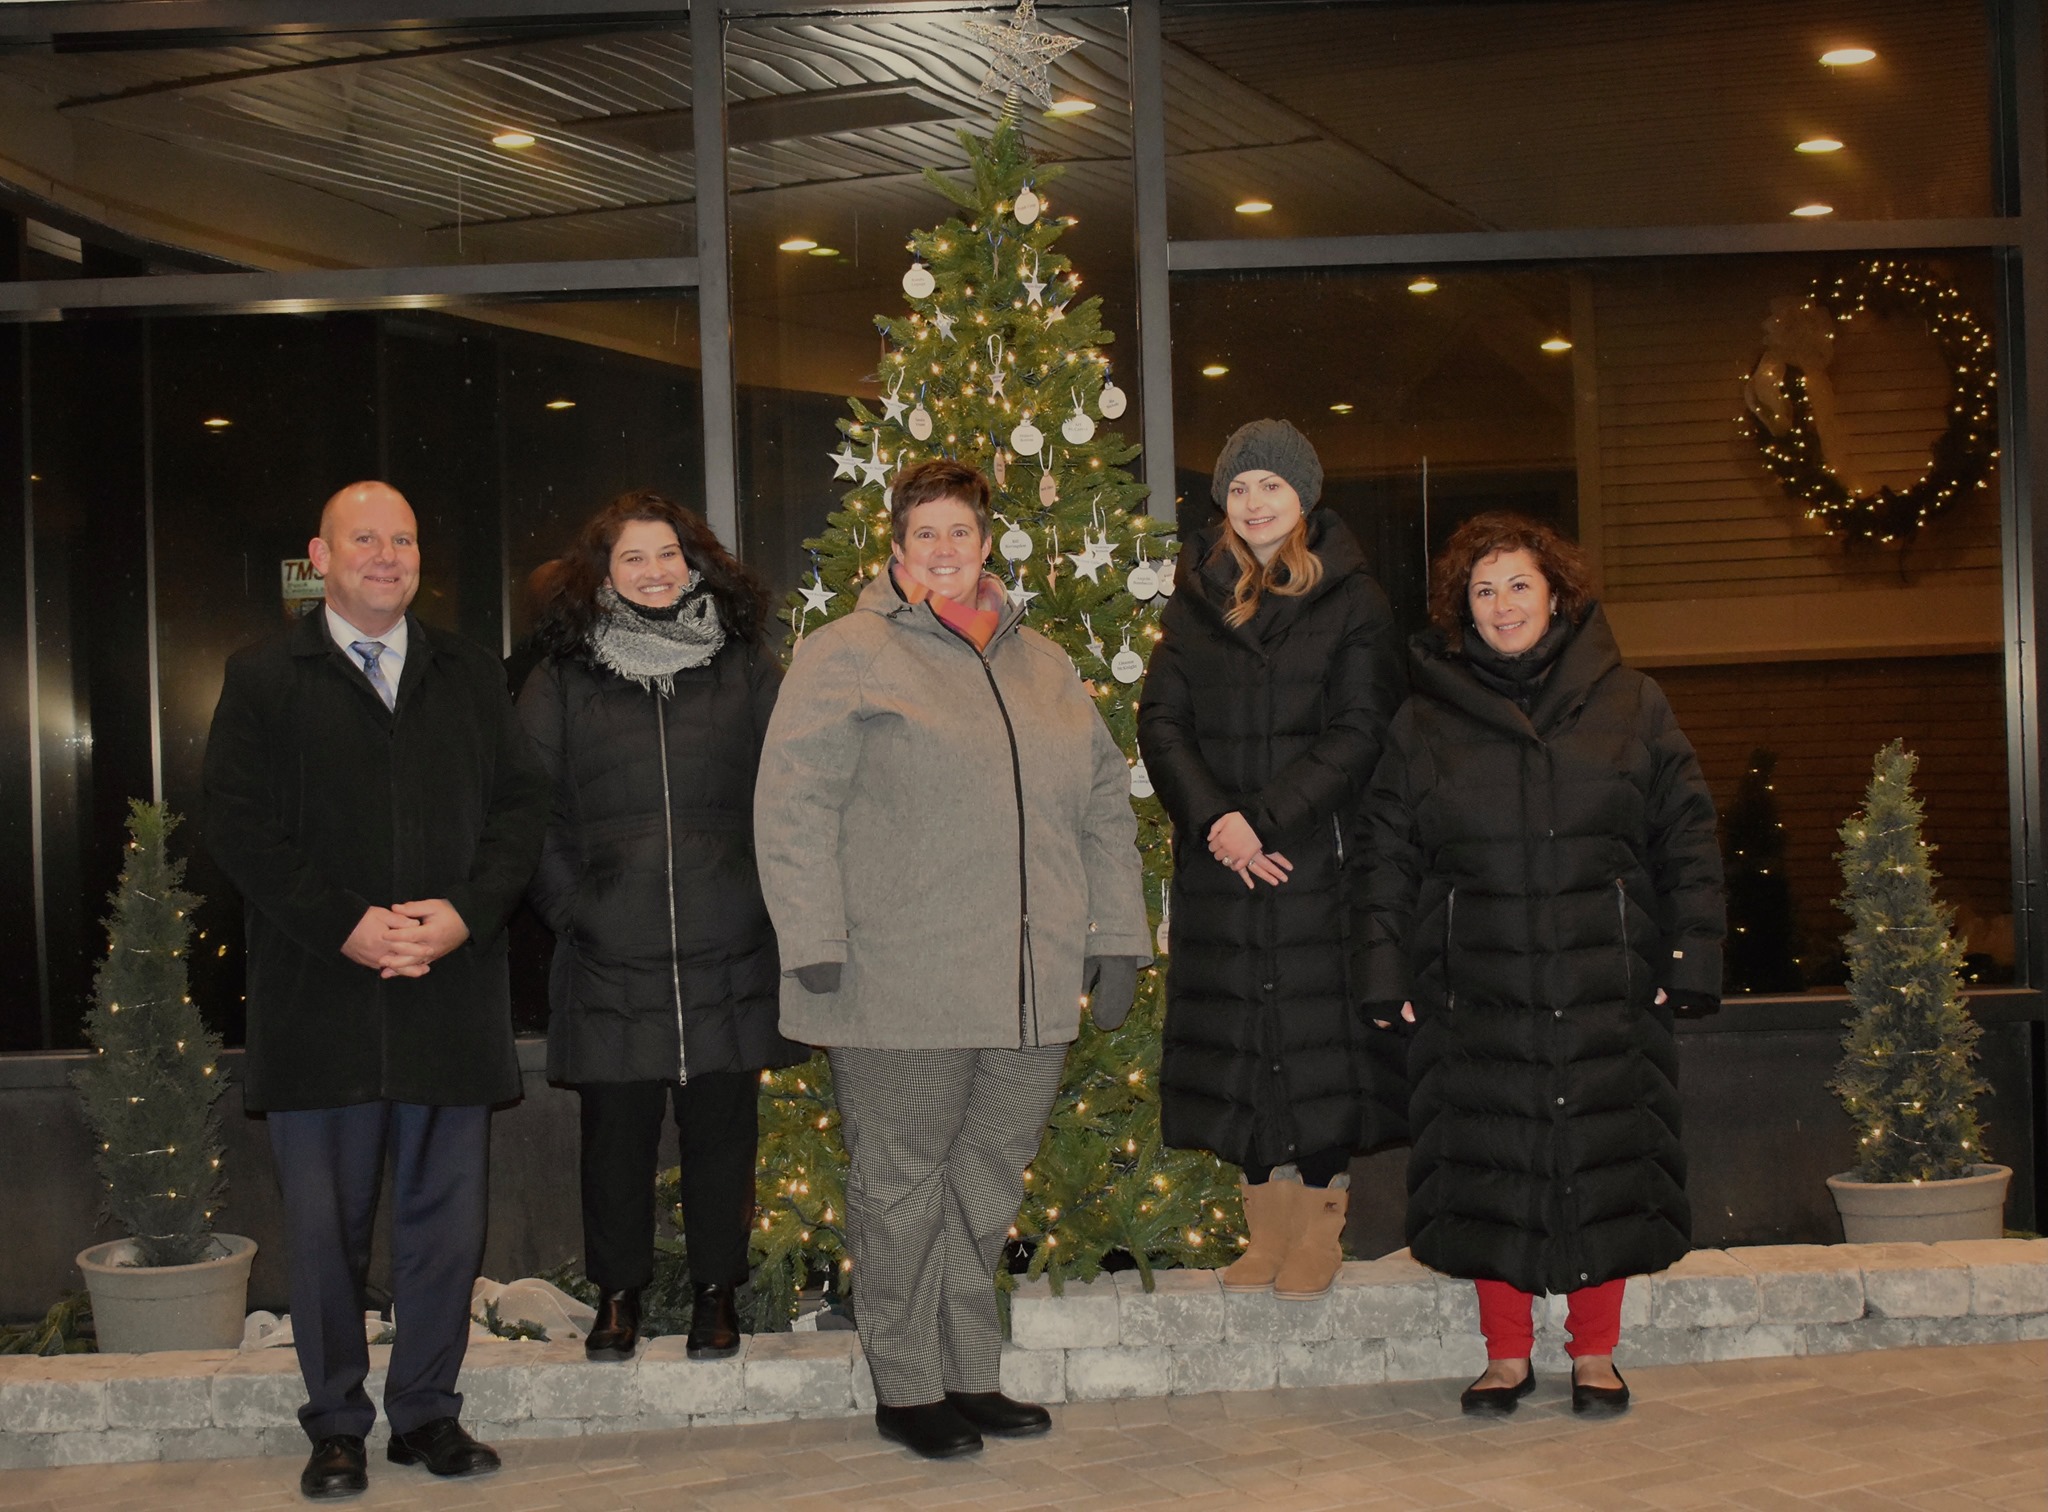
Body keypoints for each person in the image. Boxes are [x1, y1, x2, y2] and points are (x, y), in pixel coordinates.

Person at [753, 458, 1149, 1461]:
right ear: (894, 549)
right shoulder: (846, 654)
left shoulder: (1044, 664)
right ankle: (905, 1379)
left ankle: (968, 1369)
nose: (942, 550)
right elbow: (792, 804)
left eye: (959, 533)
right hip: (898, 983)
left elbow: (1103, 802)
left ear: (985, 545)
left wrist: (1112, 936)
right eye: (923, 534)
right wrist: (813, 945)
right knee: (898, 1185)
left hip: (1026, 988)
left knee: (984, 1185)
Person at [203, 482, 549, 1499]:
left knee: (445, 1228)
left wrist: (462, 915)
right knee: (324, 1236)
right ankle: (337, 1427)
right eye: (365, 538)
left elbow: (521, 810)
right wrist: (347, 926)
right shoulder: (265, 675)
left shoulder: (470, 673)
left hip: (448, 994)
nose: (387, 554)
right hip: (324, 999)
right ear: (321, 554)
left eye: (402, 537)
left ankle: (428, 1417)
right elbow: (237, 824)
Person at [1361, 511, 1723, 1418]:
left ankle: (1596, 1354)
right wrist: (1383, 972)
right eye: (1483, 591)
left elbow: (1687, 835)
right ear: (1463, 612)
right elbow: (1385, 861)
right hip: (1475, 991)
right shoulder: (1422, 723)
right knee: (1494, 1165)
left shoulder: (1631, 702)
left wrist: (1689, 954)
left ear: (1556, 592)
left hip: (1605, 981)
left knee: (1605, 1160)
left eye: (1519, 584)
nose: (1503, 604)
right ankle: (1506, 1356)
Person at [516, 491, 804, 1363]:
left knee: (724, 1136)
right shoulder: (560, 679)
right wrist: (577, 910)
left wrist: (764, 899)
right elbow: (526, 815)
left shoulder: (746, 668)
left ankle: (718, 1296)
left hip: (731, 943)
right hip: (610, 953)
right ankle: (618, 1299)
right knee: (615, 1144)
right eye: (632, 558)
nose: (653, 572)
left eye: (667, 554)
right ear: (603, 574)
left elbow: (792, 795)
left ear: (695, 562)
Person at [1136, 418, 1406, 1301]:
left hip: (1310, 860)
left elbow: (1362, 730)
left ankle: (1320, 1225)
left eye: (1271, 487)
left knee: (1315, 1040)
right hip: (1224, 863)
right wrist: (1218, 821)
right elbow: (1162, 724)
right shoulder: (1195, 596)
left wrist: (1266, 821)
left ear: (1305, 497)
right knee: (1240, 1040)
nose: (1253, 503)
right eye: (1239, 487)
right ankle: (1266, 1229)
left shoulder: (1354, 600)